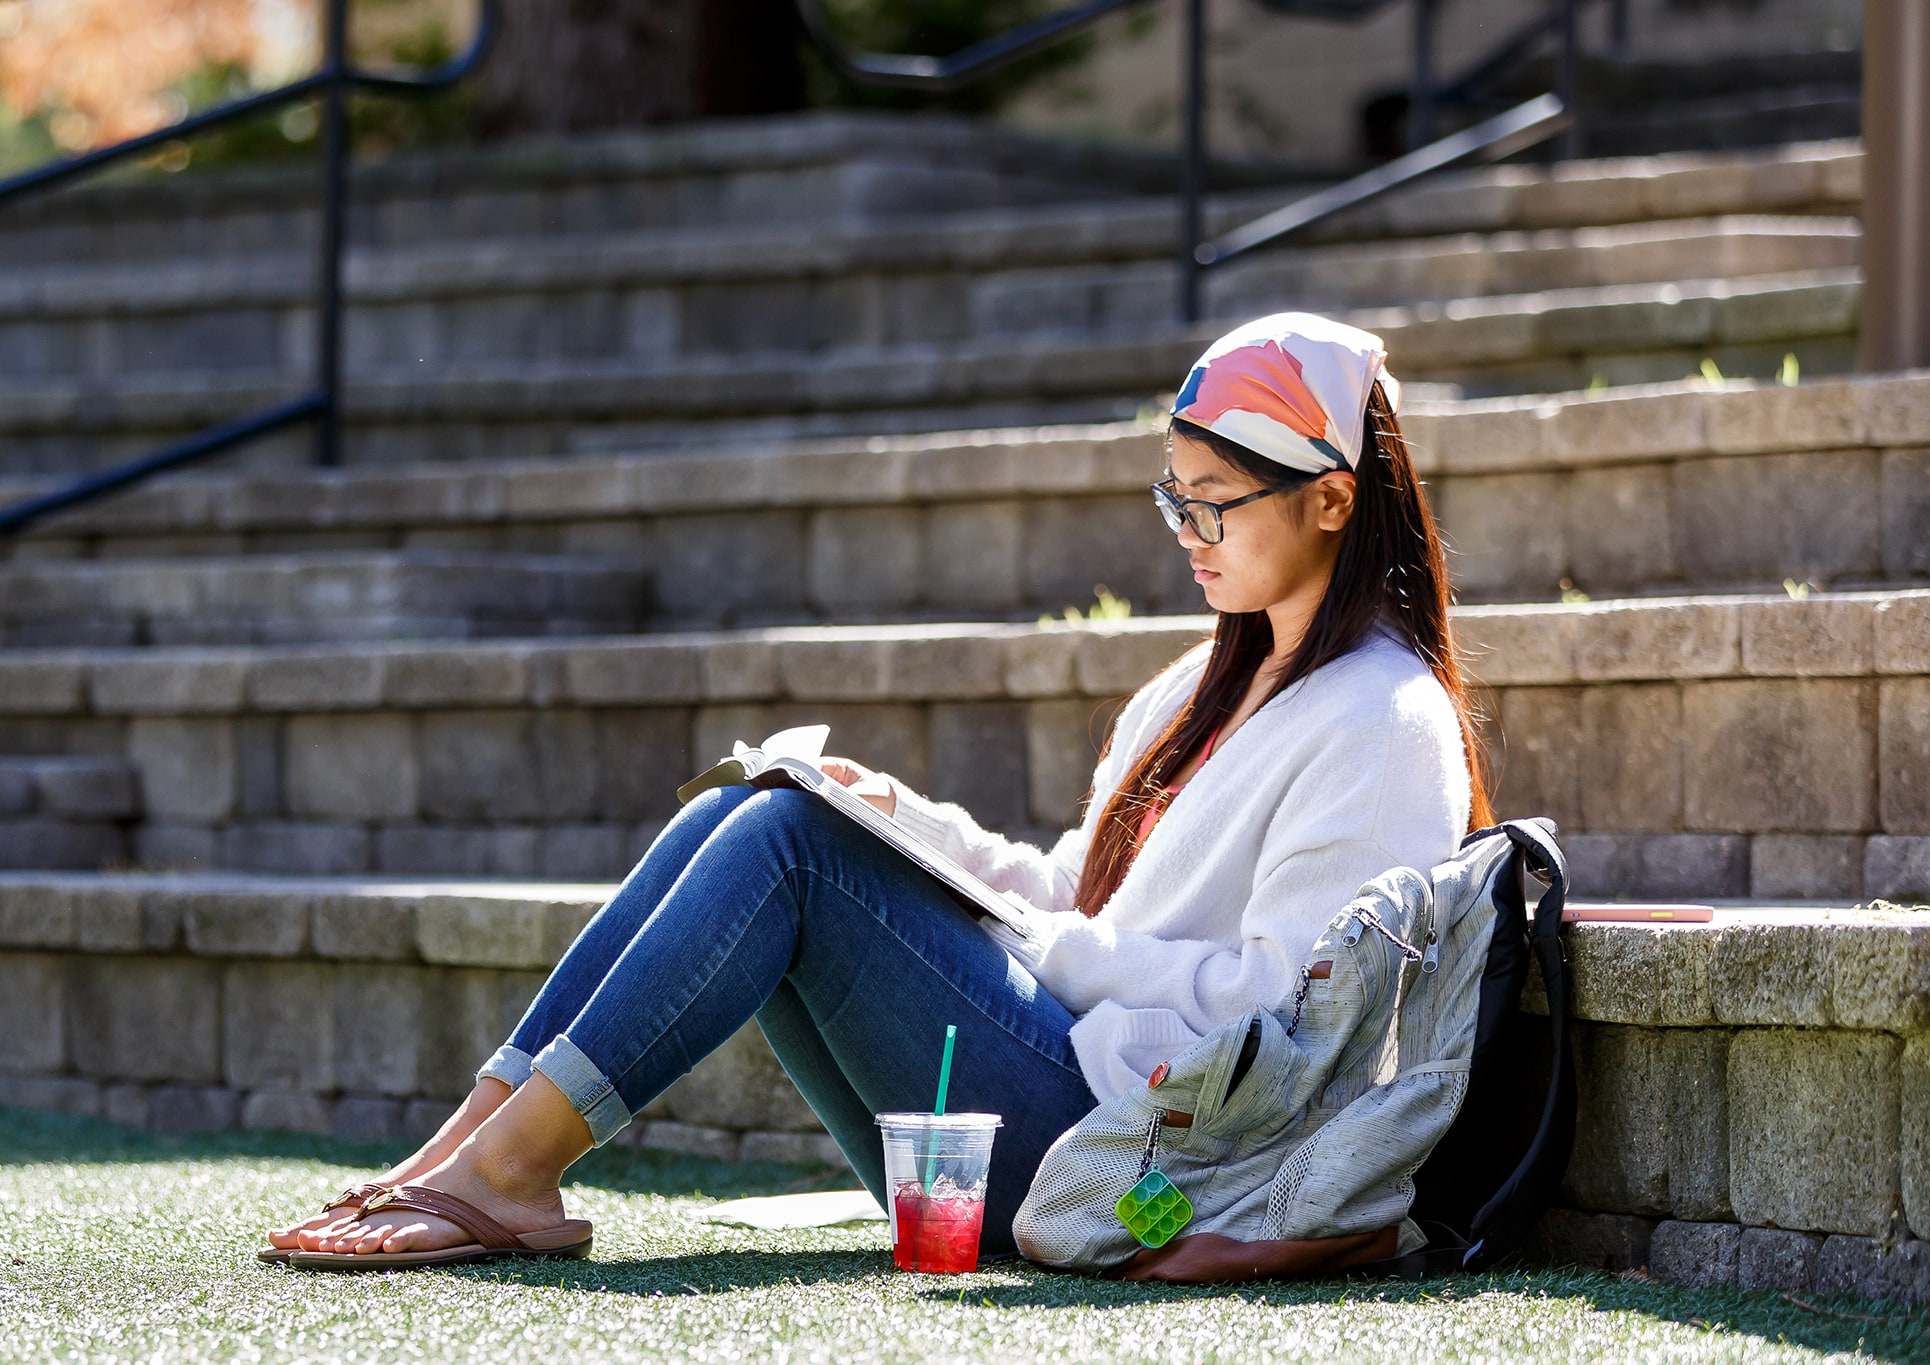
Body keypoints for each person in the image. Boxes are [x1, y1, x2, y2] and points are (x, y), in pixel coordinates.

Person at [264, 310, 1495, 1270]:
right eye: (1171, 495)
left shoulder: (1385, 723)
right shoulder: (1197, 682)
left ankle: (511, 1177)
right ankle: (463, 1153)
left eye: (1213, 501)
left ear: (1332, 498)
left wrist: (1059, 954)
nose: (1185, 528)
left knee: (788, 846)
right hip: (1044, 1101)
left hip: (1136, 1157)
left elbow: (1296, 1019)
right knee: (743, 812)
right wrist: (910, 826)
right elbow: (1084, 891)